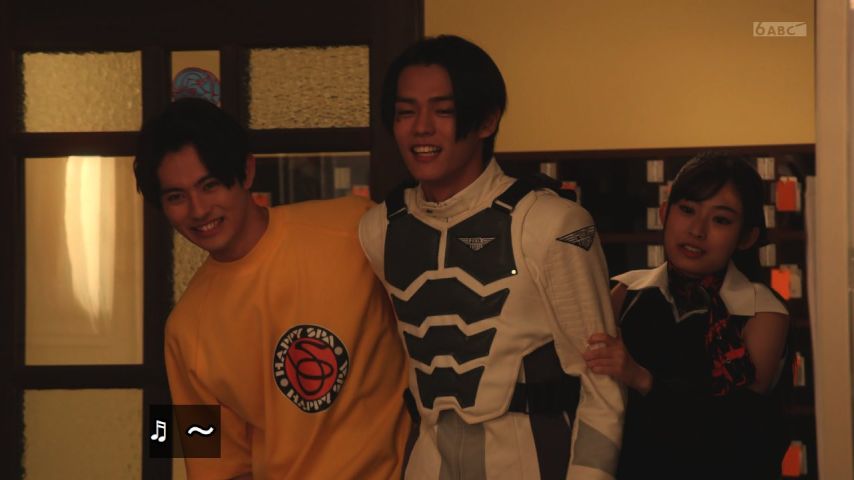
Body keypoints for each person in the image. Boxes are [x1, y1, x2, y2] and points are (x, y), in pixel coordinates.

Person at [359, 35, 624, 479]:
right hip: (427, 461)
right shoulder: (378, 229)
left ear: (486, 120)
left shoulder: (554, 223)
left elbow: (603, 384)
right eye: (405, 112)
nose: (421, 128)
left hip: (531, 458)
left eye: (443, 111)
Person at [134, 97, 410, 479]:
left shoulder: (352, 228)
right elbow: (217, 467)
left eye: (209, 185)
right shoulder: (183, 331)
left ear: (247, 171)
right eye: (176, 197)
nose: (198, 210)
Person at [582, 154, 790, 479]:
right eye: (687, 210)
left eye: (720, 220)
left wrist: (641, 379)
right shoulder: (626, 292)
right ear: (664, 212)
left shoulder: (762, 311)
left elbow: (737, 429)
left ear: (747, 237)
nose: (696, 230)